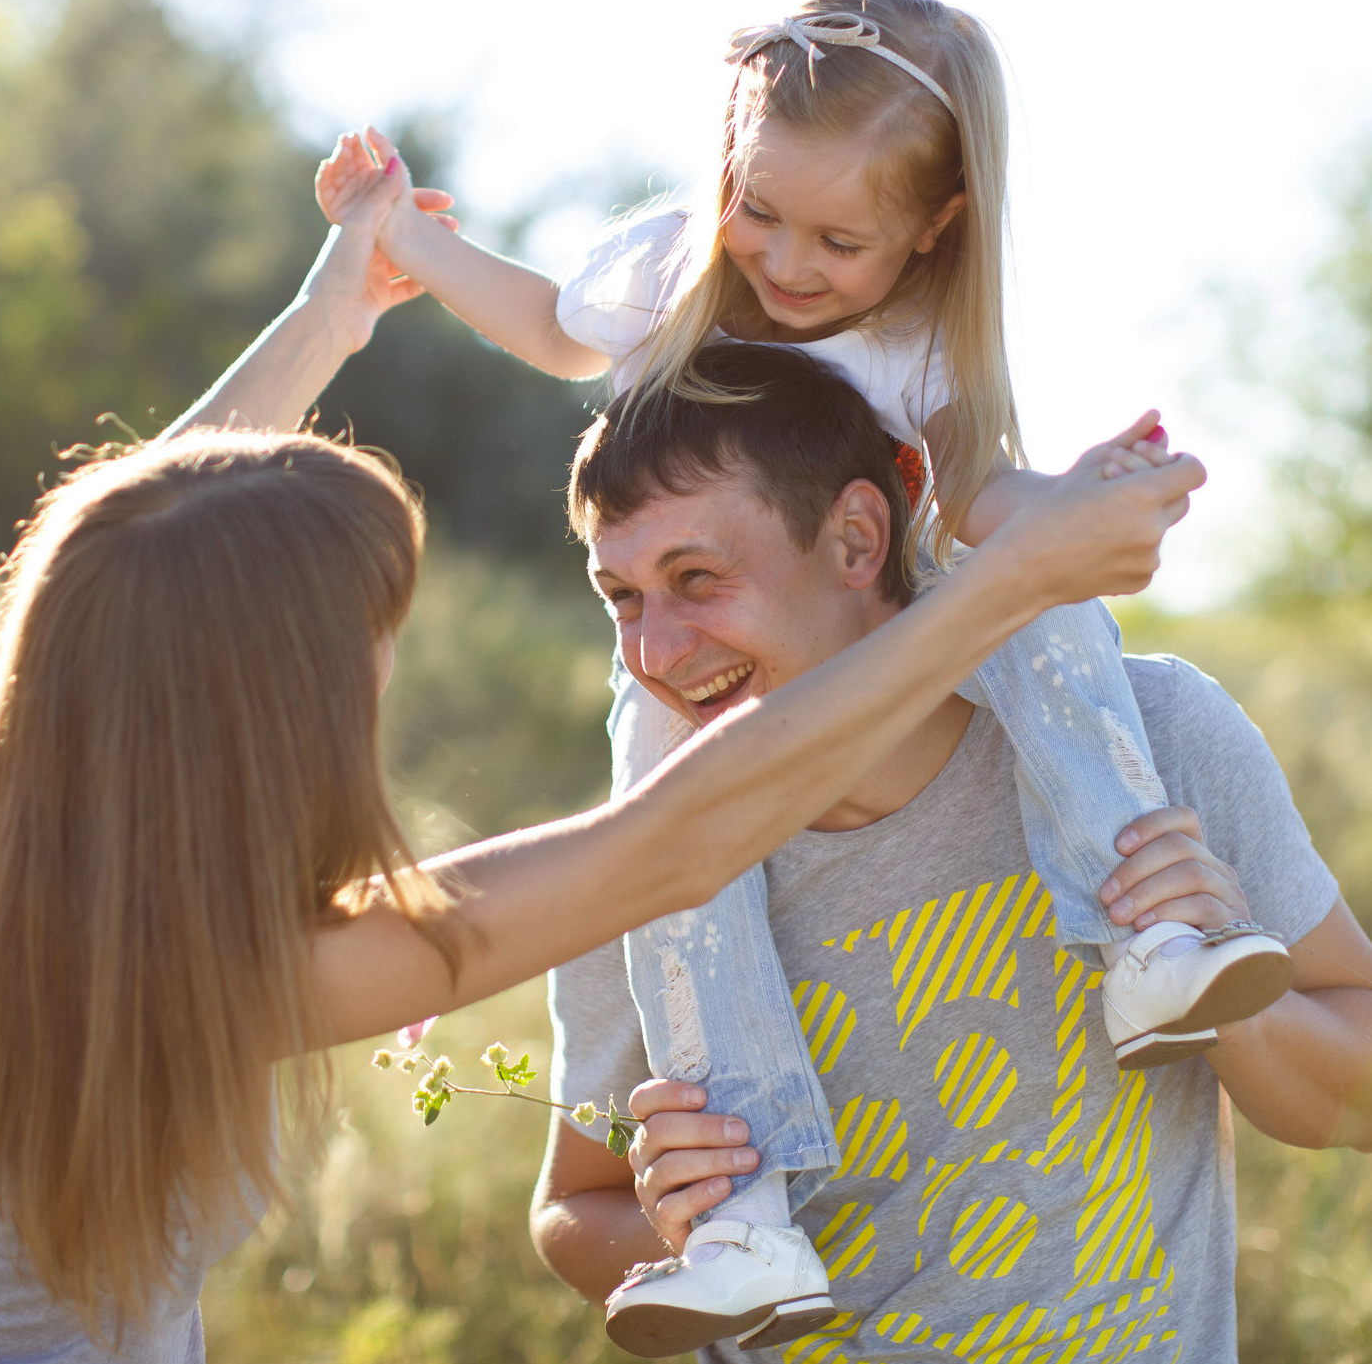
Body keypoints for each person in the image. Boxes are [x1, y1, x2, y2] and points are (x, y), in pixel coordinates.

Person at [0, 123, 1199, 1361]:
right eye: (376, 636)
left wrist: (334, 309)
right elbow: (672, 840)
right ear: (273, 708)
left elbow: (119, 564)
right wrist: (1008, 579)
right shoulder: (191, 963)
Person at [315, 0, 1289, 1340]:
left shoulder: (913, 349)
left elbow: (982, 510)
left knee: (1054, 618)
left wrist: (1084, 502)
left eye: (839, 237)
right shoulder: (671, 271)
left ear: (929, 229)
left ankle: (1151, 924)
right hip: (694, 719)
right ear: (724, 170)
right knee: (675, 867)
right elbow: (547, 328)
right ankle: (740, 1218)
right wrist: (403, 240)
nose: (783, 260)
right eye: (758, 210)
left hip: (926, 625)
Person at [532, 349, 1372, 1363]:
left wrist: (1238, 997)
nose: (654, 652)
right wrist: (667, 1222)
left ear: (855, 536)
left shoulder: (1149, 740)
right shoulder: (636, 862)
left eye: (698, 578)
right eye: (621, 596)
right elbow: (573, 1205)